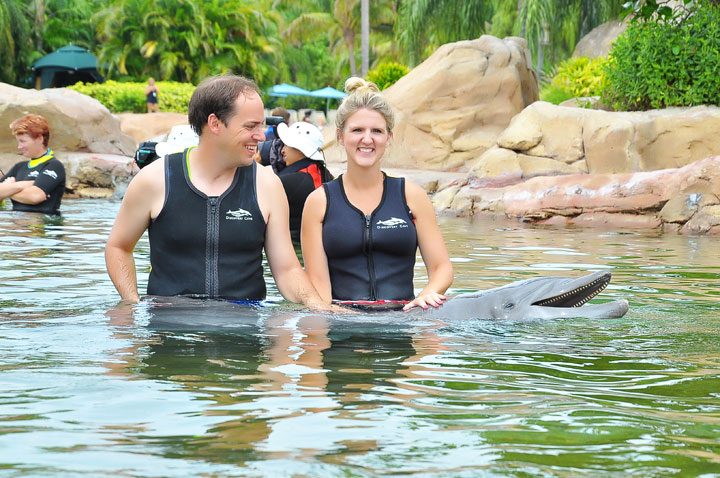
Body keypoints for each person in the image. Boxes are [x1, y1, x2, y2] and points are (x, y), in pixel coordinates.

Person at [105, 74, 332, 309]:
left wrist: (316, 305)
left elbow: (287, 270)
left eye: (261, 125)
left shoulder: (266, 184)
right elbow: (118, 247)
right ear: (214, 124)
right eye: (250, 126)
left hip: (243, 329)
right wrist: (130, 305)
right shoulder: (155, 179)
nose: (261, 135)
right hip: (172, 330)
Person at [301, 77, 453, 311]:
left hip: (401, 322)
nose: (367, 139)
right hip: (343, 327)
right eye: (358, 130)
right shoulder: (319, 202)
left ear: (388, 137)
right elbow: (319, 289)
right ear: (340, 136)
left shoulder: (411, 196)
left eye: (377, 131)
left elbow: (442, 268)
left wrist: (425, 297)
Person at [275, 121, 333, 243]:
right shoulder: (325, 174)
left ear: (301, 150)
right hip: (320, 243)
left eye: (286, 145)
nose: (282, 150)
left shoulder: (287, 181)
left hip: (294, 247)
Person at [0, 114, 65, 215]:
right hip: (17, 226)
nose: (19, 147)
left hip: (41, 225)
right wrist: (20, 185)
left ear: (40, 138)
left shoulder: (54, 166)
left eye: (22, 141)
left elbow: (35, 197)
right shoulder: (19, 167)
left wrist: (7, 189)